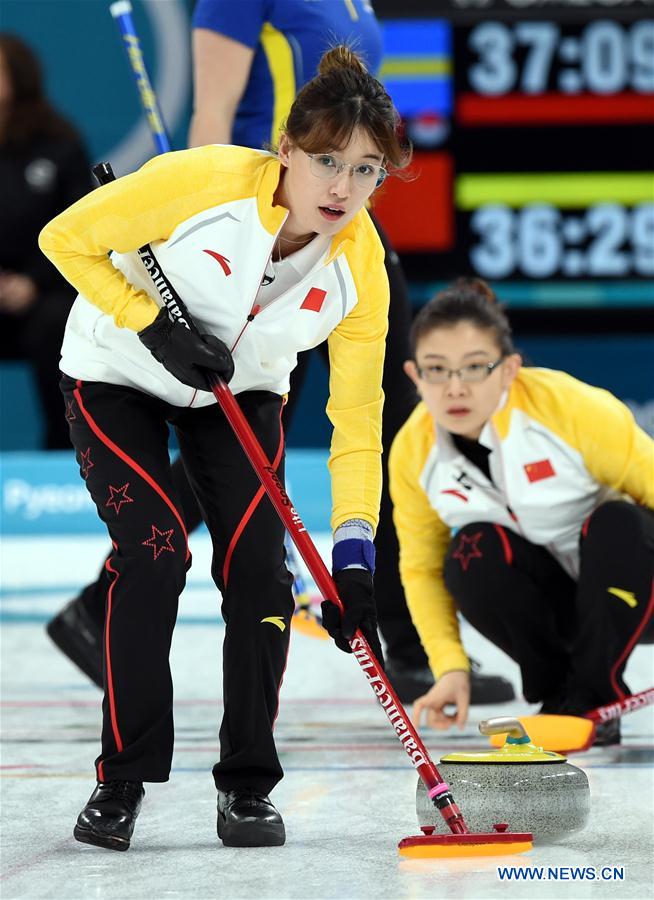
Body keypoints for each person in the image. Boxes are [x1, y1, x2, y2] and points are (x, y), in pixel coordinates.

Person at [45, 0, 514, 707]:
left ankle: (390, 627)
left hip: (336, 223)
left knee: (347, 426)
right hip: (249, 226)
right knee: (249, 438)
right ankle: (395, 635)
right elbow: (215, 110)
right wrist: (181, 211)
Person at [39, 46, 410, 851]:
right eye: (324, 161)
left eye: (366, 169)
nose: (343, 188)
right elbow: (63, 239)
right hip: (117, 372)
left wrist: (355, 553)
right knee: (156, 553)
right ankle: (122, 780)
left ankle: (247, 786)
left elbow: (356, 424)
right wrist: (152, 326)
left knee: (260, 576)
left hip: (240, 394)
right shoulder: (203, 183)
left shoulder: (363, 271)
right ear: (285, 149)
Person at [389, 278, 654, 745]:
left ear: (508, 370)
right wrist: (449, 667)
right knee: (470, 551)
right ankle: (560, 696)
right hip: (562, 605)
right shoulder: (413, 452)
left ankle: (595, 691)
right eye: (436, 370)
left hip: (636, 590)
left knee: (618, 521)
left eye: (474, 368)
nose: (454, 388)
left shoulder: (572, 409)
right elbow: (422, 569)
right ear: (414, 375)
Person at [0, 33, 91, 448]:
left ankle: (65, 452)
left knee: (62, 321)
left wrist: (32, 282)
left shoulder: (59, 144)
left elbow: (82, 228)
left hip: (43, 295)